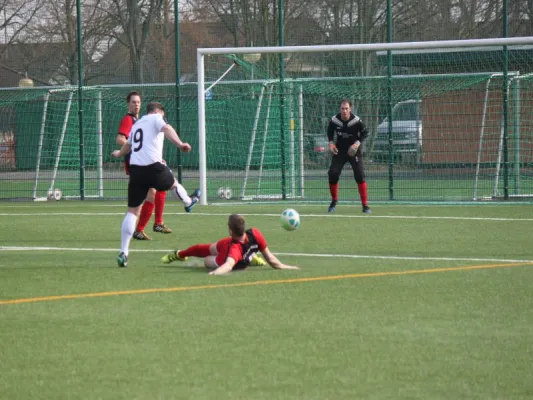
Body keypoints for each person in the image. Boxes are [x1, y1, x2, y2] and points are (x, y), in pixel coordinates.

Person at [111, 102, 201, 267]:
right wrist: (180, 144)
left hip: (136, 170)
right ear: (158, 112)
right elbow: (167, 129)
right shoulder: (156, 118)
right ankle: (189, 202)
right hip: (153, 167)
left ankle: (124, 252)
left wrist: (118, 154)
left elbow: (128, 145)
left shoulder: (138, 123)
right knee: (173, 184)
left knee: (132, 212)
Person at [161, 214, 300, 275]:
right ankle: (179, 255)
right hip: (230, 248)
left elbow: (228, 265)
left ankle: (250, 259)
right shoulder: (256, 233)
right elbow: (271, 260)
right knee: (204, 248)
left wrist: (215, 272)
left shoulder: (235, 249)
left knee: (207, 260)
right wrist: (287, 266)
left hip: (226, 259)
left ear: (230, 231)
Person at [116, 91, 171, 241]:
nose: (136, 105)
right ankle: (143, 228)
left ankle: (152, 224)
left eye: (138, 102)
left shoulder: (140, 120)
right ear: (128, 104)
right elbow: (120, 138)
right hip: (136, 163)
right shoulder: (128, 120)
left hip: (143, 162)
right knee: (150, 194)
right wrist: (133, 148)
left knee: (156, 191)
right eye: (133, 102)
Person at [326, 99, 371, 213]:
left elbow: (365, 132)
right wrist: (331, 143)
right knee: (333, 173)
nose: (344, 111)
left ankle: (365, 205)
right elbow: (330, 132)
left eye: (346, 108)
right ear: (339, 109)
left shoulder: (356, 121)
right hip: (340, 151)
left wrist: (357, 143)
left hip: (354, 151)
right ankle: (334, 201)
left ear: (350, 109)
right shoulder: (334, 120)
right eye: (342, 108)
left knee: (360, 175)